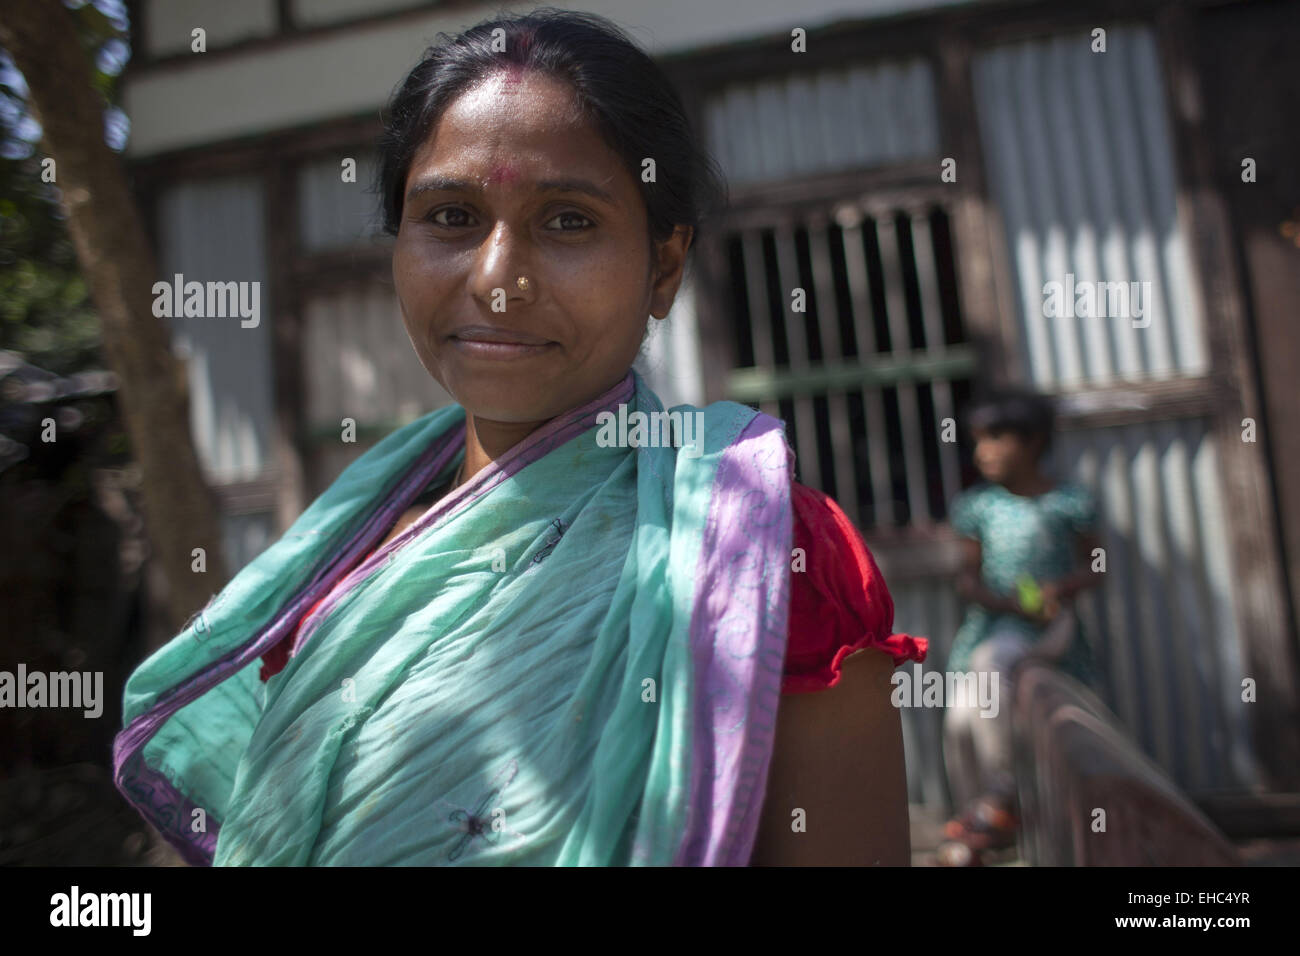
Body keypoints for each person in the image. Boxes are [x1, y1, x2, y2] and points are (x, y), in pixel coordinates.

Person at [113, 9, 926, 867]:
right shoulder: (343, 566)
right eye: (452, 216)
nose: (498, 280)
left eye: (568, 220)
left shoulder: (761, 558)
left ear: (664, 266)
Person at [937, 389, 1101, 865]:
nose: (981, 451)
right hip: (992, 624)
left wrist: (1059, 590)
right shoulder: (977, 507)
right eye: (976, 440)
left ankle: (1002, 796)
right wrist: (1007, 602)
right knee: (962, 717)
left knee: (991, 667)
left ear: (1032, 443)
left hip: (1049, 628)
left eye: (994, 439)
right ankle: (978, 818)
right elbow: (968, 580)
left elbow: (1097, 566)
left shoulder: (1067, 501)